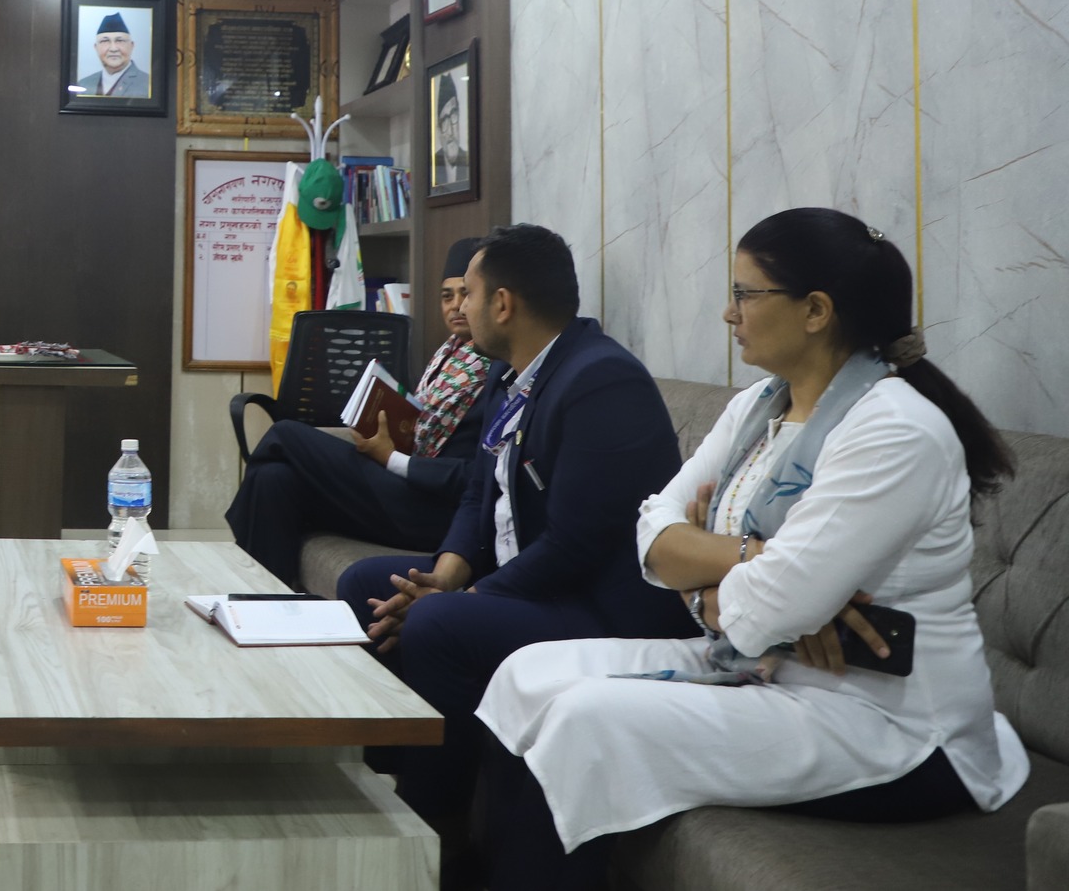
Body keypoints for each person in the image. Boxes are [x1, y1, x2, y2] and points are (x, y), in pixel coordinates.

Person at [471, 208, 1025, 890]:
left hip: (889, 723)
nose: (728, 312)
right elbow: (652, 531)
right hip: (760, 665)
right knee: (524, 673)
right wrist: (759, 560)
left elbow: (763, 610)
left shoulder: (894, 430)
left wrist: (712, 576)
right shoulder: (759, 406)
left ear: (815, 310)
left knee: (586, 721)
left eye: (744, 293)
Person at [334, 223, 695, 837]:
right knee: (365, 585)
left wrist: (467, 596)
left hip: (597, 606)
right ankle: (379, 778)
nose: (461, 308)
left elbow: (576, 544)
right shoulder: (510, 374)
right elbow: (481, 491)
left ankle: (436, 826)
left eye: (469, 294)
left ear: (503, 303)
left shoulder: (601, 381)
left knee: (437, 621)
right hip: (531, 579)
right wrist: (445, 573)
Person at [225, 238, 497, 586]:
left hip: (436, 511)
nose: (458, 305)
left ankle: (232, 539)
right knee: (273, 478)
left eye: (467, 294)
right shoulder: (450, 356)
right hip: (406, 484)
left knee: (284, 433)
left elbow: (475, 477)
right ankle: (265, 601)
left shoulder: (499, 371)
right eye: (447, 296)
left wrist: (393, 459)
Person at [75, 12, 149, 97]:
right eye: (105, 41)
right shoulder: (83, 85)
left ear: (131, 46)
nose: (113, 49)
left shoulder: (147, 84)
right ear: (96, 47)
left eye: (120, 41)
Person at [433, 76, 468, 188]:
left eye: (453, 116)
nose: (450, 131)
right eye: (444, 121)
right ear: (438, 131)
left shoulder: (470, 161)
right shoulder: (430, 167)